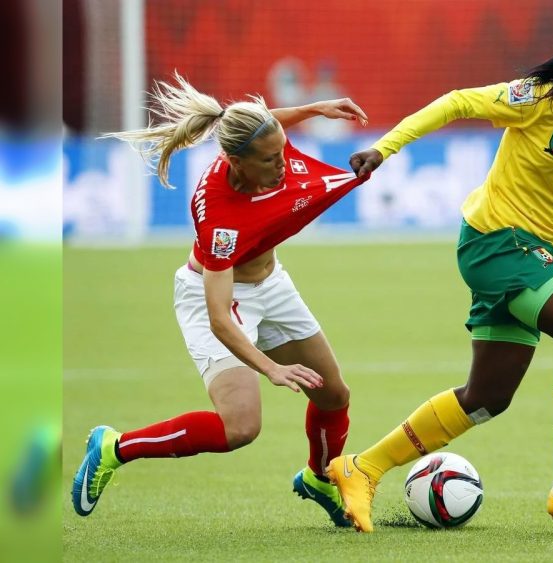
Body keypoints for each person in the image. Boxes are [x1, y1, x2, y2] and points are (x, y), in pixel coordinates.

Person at [325, 35, 553, 533]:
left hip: (528, 252)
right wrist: (385, 149)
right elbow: (457, 103)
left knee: (487, 396)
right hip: (497, 243)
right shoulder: (542, 99)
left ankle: (361, 468)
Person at [71, 73, 370, 528]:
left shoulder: (257, 145)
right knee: (241, 428)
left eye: (282, 149)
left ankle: (319, 478)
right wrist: (270, 368)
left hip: (273, 286)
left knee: (333, 395)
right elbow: (219, 317)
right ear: (236, 161)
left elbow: (267, 127)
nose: (284, 164)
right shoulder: (220, 218)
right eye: (271, 159)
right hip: (219, 302)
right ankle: (114, 446)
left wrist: (315, 109)